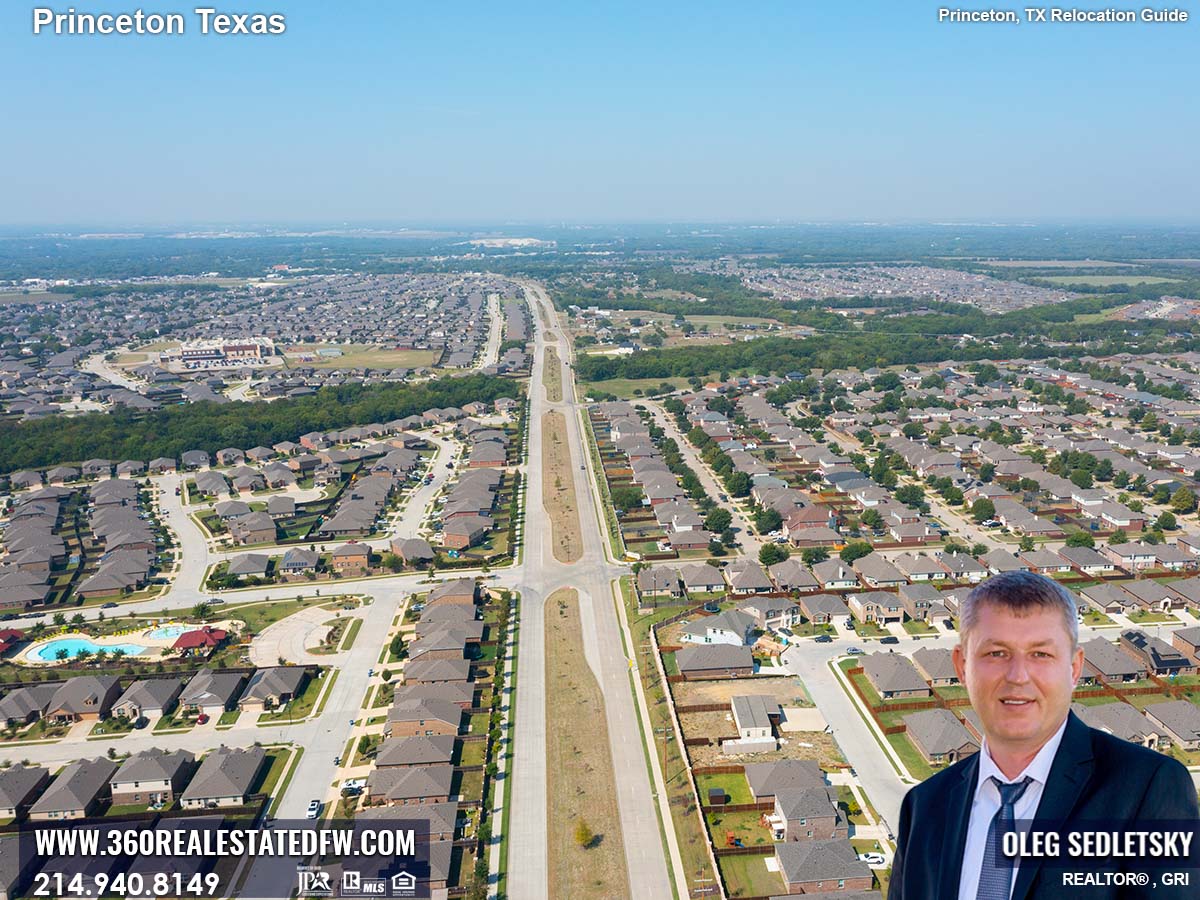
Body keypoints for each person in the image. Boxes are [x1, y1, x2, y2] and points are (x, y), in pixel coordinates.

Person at [889, 571, 1198, 899]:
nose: (1018, 676)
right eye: (997, 653)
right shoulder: (924, 807)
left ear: (1074, 668)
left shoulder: (1148, 788)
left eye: (1041, 654)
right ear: (962, 666)